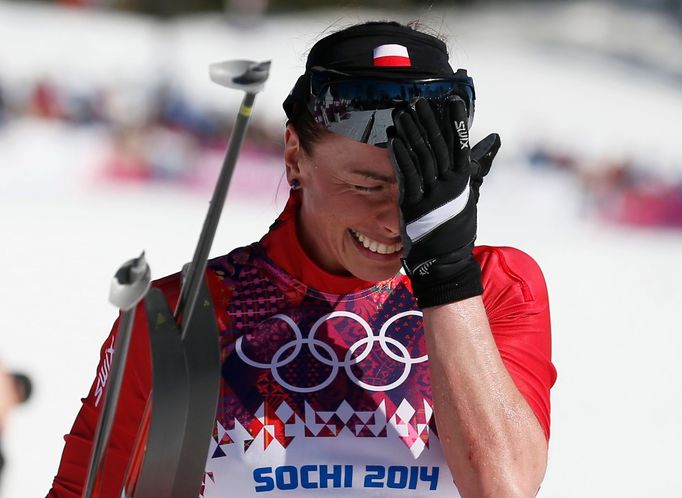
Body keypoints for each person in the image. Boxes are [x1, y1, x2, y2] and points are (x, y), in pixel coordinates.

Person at [48, 21, 556, 498]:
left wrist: (446, 277)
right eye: (365, 185)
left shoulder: (495, 286)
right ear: (295, 156)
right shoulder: (184, 315)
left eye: (421, 193)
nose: (396, 220)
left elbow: (504, 486)